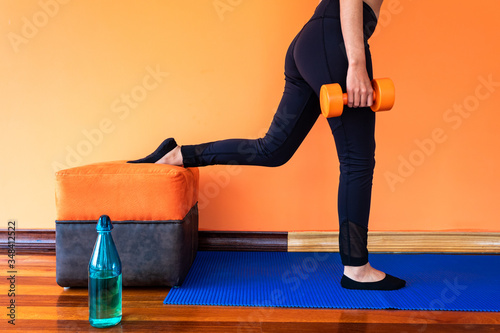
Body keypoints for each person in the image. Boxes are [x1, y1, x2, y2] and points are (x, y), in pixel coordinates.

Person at [129, 0, 406, 291]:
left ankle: (177, 155)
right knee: (357, 160)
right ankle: (357, 268)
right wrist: (356, 64)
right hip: (335, 39)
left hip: (312, 41)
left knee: (273, 149)